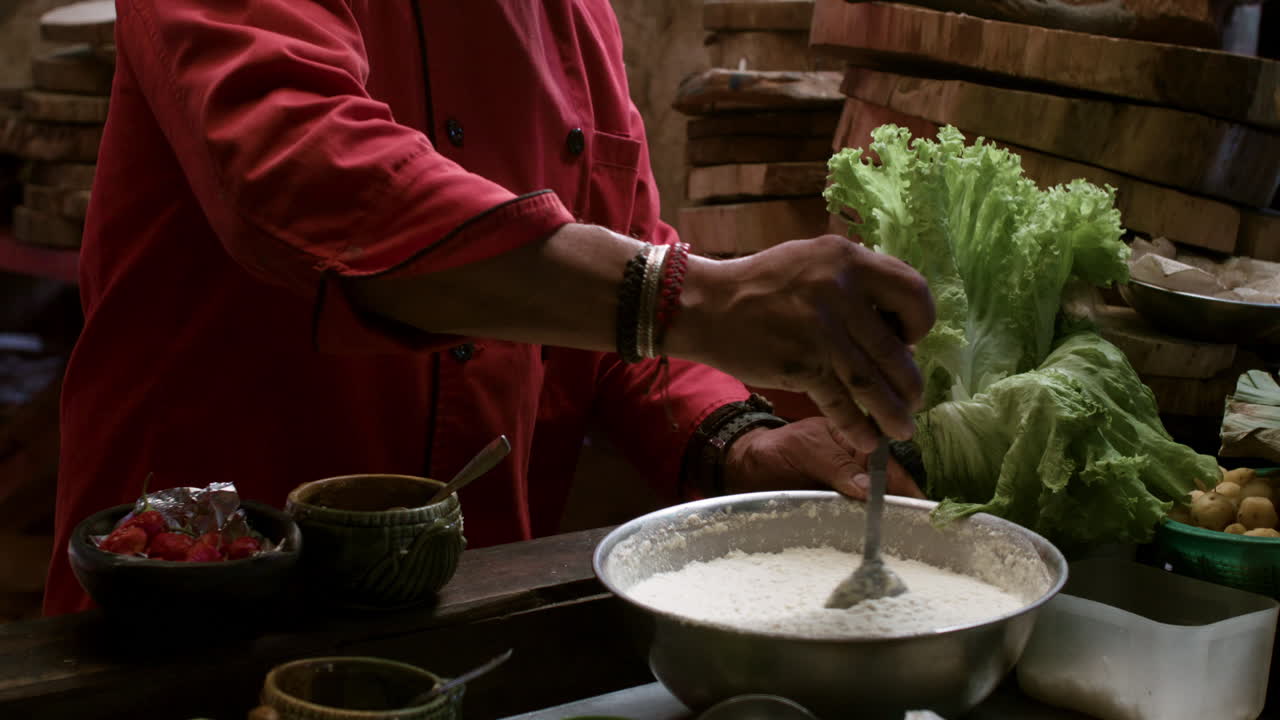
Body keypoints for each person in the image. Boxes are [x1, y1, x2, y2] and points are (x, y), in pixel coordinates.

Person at [44, 1, 935, 615]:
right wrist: (698, 295)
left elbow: (618, 275)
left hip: (462, 600)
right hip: (201, 591)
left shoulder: (576, 18)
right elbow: (302, 170)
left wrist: (741, 446)